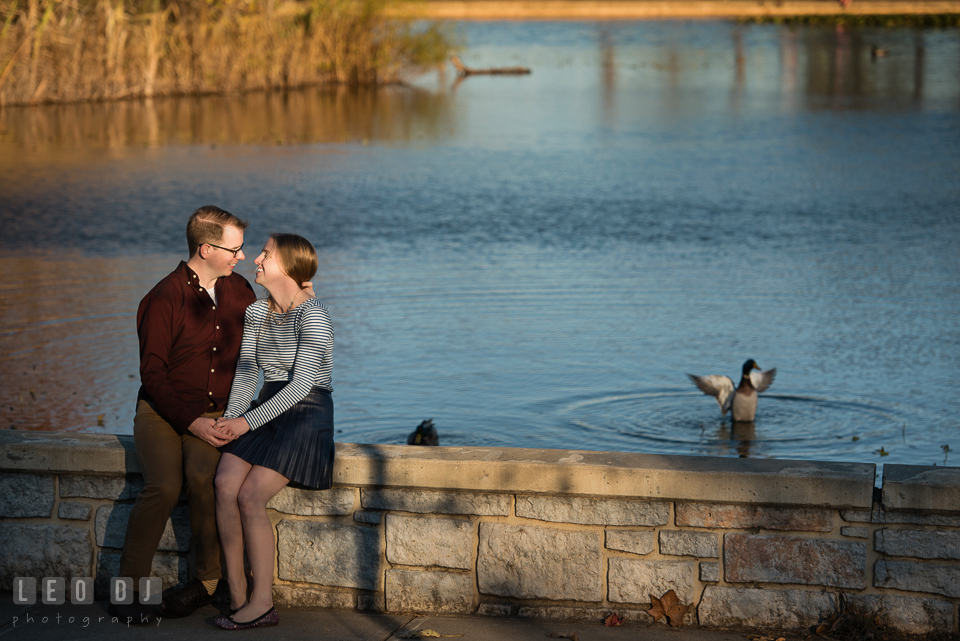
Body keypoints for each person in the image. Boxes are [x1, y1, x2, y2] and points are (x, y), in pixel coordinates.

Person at [114, 206, 256, 623]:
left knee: (203, 479)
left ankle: (205, 582)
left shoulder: (240, 291)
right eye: (235, 249)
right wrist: (191, 421)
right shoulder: (164, 296)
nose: (241, 257)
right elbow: (152, 373)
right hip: (160, 413)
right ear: (206, 248)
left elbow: (265, 344)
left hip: (214, 415)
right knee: (162, 486)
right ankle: (126, 591)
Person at [212, 233, 335, 630]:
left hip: (306, 412)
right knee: (224, 483)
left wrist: (244, 422)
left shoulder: (313, 315)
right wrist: (232, 421)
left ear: (289, 267)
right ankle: (237, 595)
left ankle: (262, 604)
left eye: (266, 254)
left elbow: (301, 386)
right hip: (265, 405)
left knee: (250, 495)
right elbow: (248, 374)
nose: (257, 259)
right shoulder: (255, 313)